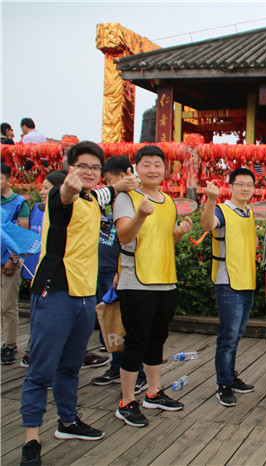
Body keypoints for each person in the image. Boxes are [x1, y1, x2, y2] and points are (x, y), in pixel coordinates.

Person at [19, 141, 137, 466]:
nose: (88, 172)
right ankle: (31, 439)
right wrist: (69, 187)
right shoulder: (62, 196)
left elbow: (108, 192)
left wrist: (124, 183)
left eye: (95, 168)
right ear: (71, 168)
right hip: (55, 292)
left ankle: (68, 422)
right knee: (41, 369)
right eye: (82, 166)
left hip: (85, 297)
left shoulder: (94, 198)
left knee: (71, 365)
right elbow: (66, 195)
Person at [113, 145, 193, 427]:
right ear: (136, 168)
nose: (153, 169)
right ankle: (126, 402)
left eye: (158, 164)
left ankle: (153, 392)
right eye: (146, 164)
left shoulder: (168, 201)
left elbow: (164, 240)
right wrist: (140, 215)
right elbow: (124, 236)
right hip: (136, 281)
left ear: (165, 169)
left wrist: (179, 233)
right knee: (136, 341)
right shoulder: (127, 198)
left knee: (157, 339)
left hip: (165, 281)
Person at [201, 168, 258, 407]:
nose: (245, 188)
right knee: (228, 338)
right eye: (240, 184)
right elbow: (207, 225)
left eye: (249, 184)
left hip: (247, 281)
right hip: (228, 282)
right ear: (231, 186)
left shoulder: (249, 212)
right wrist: (211, 200)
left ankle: (230, 377)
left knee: (237, 335)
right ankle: (223, 384)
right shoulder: (222, 211)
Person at [91, 156, 147, 392]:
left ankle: (139, 374)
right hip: (103, 269)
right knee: (112, 323)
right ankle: (117, 368)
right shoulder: (112, 201)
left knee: (126, 325)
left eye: (108, 180)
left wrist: (119, 269)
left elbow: (133, 239)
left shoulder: (135, 200)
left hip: (117, 272)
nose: (106, 186)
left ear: (123, 176)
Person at [19, 169, 67, 368]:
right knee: (40, 317)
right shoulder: (38, 210)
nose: (42, 191)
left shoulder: (66, 214)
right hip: (40, 273)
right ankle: (32, 355)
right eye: (42, 187)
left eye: (47, 188)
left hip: (60, 275)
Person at [1, 163, 30, 365]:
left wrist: (13, 258)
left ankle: (10, 345)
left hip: (8, 262)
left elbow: (22, 233)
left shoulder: (19, 202)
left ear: (9, 180)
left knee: (7, 305)